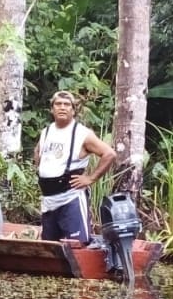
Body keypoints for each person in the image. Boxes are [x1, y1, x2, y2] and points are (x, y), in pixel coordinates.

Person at [32, 91, 117, 245]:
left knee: (77, 245)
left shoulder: (82, 134)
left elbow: (109, 154)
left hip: (71, 198)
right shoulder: (46, 131)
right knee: (49, 245)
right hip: (48, 200)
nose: (62, 108)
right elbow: (38, 152)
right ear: (52, 109)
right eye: (58, 104)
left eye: (67, 105)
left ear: (73, 110)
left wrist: (91, 178)